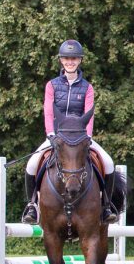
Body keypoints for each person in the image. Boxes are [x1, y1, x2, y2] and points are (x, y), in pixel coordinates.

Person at [21, 39, 124, 225]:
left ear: (79, 61)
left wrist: (89, 136)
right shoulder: (51, 85)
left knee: (108, 163)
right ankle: (32, 205)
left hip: (80, 136)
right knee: (31, 163)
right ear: (61, 61)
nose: (70, 62)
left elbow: (89, 113)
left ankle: (106, 206)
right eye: (67, 59)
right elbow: (48, 110)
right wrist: (51, 134)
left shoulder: (87, 88)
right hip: (58, 136)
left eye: (74, 58)